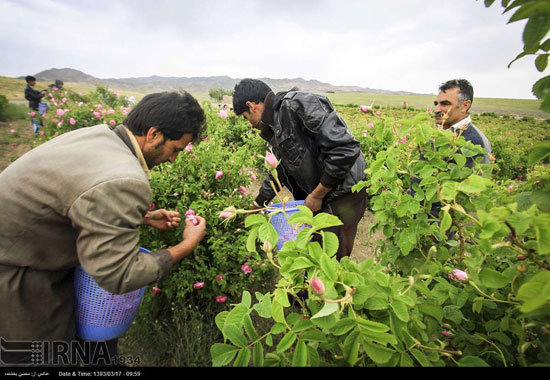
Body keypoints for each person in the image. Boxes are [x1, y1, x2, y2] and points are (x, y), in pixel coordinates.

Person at [0, 91, 207, 366]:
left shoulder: (99, 136)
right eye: (176, 150)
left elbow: (72, 200)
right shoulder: (125, 179)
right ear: (154, 134)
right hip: (18, 279)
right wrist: (185, 246)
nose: (173, 160)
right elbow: (118, 274)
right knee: (44, 357)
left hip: (23, 250)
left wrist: (142, 218)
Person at [233, 79, 368, 260]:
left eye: (245, 116)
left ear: (252, 106)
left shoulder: (296, 105)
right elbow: (279, 171)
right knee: (315, 252)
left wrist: (317, 195)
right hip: (326, 193)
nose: (249, 124)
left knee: (328, 259)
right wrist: (258, 204)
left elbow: (345, 150)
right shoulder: (274, 126)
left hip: (344, 194)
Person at [433, 79, 492, 166]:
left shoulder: (473, 141)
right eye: (436, 104)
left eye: (445, 104)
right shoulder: (442, 133)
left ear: (465, 106)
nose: (436, 110)